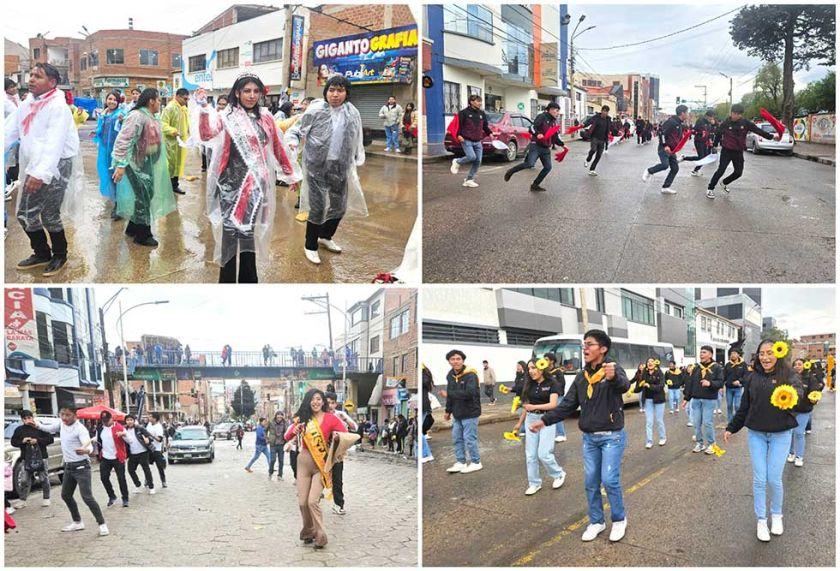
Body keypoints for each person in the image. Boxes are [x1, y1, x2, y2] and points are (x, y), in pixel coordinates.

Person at [529, 329, 630, 542]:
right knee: (591, 482)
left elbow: (624, 385)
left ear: (602, 349)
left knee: (609, 480)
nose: (585, 348)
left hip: (612, 436)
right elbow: (567, 405)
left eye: (590, 344)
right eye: (584, 344)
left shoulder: (612, 369)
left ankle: (619, 520)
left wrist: (612, 378)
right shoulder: (581, 377)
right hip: (590, 438)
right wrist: (544, 421)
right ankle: (597, 521)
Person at [197, 76, 300, 283]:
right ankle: (226, 282)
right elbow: (207, 134)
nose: (251, 95)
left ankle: (248, 280)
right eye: (246, 91)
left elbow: (278, 147)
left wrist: (290, 174)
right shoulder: (226, 116)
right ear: (237, 93)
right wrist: (203, 110)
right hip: (228, 183)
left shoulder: (266, 117)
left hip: (255, 185)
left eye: (255, 91)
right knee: (229, 233)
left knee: (247, 233)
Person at [5, 62, 83, 277]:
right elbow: (11, 129)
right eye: (31, 75)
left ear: (52, 83)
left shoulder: (57, 106)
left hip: (55, 164)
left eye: (37, 76)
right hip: (34, 163)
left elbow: (54, 143)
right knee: (24, 214)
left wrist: (40, 173)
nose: (31, 79)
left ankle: (60, 255)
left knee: (49, 214)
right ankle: (41, 253)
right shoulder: (29, 102)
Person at [724, 340, 802, 541]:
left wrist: (794, 395)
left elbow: (799, 396)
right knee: (759, 479)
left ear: (778, 353)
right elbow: (744, 407)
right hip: (756, 434)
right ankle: (761, 519)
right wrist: (731, 428)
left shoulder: (789, 375)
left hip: (781, 434)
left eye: (769, 353)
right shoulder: (752, 377)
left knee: (774, 478)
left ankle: (776, 515)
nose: (765, 357)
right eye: (761, 353)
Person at [286, 75, 364, 266]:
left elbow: (357, 137)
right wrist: (292, 142)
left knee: (339, 207)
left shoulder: (351, 112)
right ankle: (310, 245)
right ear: (326, 92)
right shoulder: (316, 110)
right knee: (318, 208)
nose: (335, 95)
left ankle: (325, 236)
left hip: (340, 166)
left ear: (347, 93)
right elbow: (296, 130)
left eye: (340, 90)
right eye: (331, 90)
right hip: (316, 167)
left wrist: (358, 155)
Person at [111, 87, 177, 248]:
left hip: (146, 163)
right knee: (144, 196)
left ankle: (133, 228)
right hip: (135, 164)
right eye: (159, 99)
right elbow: (124, 140)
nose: (160, 103)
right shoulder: (137, 116)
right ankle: (143, 234)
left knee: (146, 194)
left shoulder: (150, 116)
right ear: (151, 101)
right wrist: (120, 165)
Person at [284, 389, 347, 548]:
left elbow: (346, 435)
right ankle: (308, 531)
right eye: (312, 399)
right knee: (302, 502)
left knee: (312, 501)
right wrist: (295, 429)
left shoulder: (331, 419)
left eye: (319, 399)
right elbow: (286, 436)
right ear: (308, 402)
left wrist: (337, 438)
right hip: (303, 461)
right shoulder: (303, 419)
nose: (316, 402)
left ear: (323, 401)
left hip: (321, 464)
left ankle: (321, 536)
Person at [511, 360, 566, 496]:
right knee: (530, 455)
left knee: (544, 454)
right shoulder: (528, 385)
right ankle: (534, 483)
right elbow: (526, 407)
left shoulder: (552, 383)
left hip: (547, 419)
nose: (531, 371)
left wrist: (535, 407)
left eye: (533, 367)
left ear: (542, 367)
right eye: (529, 368)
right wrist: (519, 423)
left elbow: (553, 404)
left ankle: (558, 474)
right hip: (530, 419)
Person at [56, 405, 108, 536]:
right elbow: (47, 427)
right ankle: (77, 522)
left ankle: (102, 524)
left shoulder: (80, 429)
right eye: (62, 414)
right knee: (66, 495)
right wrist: (37, 425)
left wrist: (85, 450)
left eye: (67, 415)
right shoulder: (62, 424)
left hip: (81, 467)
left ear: (75, 415)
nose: (64, 418)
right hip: (68, 467)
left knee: (87, 497)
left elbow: (89, 447)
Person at [706, 103, 777, 199]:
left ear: (741, 114)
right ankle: (710, 189)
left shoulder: (745, 123)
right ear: (731, 113)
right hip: (726, 151)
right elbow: (718, 134)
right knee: (721, 170)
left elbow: (758, 131)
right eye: (734, 113)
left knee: (738, 172)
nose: (736, 116)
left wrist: (772, 137)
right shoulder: (726, 123)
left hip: (738, 152)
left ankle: (724, 182)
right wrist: (714, 145)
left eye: (738, 114)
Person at [503, 102, 565, 191]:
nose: (558, 113)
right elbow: (532, 127)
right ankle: (511, 171)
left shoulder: (553, 122)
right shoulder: (542, 117)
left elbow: (554, 136)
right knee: (530, 164)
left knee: (548, 167)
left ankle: (535, 185)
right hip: (536, 145)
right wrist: (537, 134)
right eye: (557, 110)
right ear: (551, 109)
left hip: (545, 148)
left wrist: (563, 145)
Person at [443, 349, 482, 473]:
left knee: (469, 439)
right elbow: (450, 396)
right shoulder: (450, 375)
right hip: (457, 413)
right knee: (457, 438)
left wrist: (449, 394)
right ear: (449, 361)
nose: (456, 361)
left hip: (470, 412)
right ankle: (461, 462)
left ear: (463, 360)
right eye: (453, 359)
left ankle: (476, 462)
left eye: (458, 359)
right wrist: (448, 411)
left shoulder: (471, 375)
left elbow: (471, 393)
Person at [683, 345, 724, 454]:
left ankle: (711, 444)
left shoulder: (716, 368)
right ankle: (699, 444)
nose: (701, 354)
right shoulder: (697, 367)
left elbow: (720, 382)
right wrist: (686, 398)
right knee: (696, 423)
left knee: (707, 423)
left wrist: (710, 383)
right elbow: (690, 383)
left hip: (709, 400)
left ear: (710, 354)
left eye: (704, 352)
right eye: (701, 352)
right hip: (696, 400)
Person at [92, 90, 126, 221]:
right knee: (107, 174)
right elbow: (101, 129)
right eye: (109, 99)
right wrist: (96, 132)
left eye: (114, 100)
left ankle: (119, 205)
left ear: (118, 102)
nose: (111, 102)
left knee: (117, 177)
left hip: (116, 151)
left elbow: (125, 130)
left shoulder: (121, 114)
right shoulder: (104, 114)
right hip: (104, 150)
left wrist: (123, 121)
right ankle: (115, 199)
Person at [10, 410, 54, 507]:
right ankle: (23, 500)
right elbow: (13, 442)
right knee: (24, 479)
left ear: (32, 417)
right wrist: (22, 441)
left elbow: (50, 439)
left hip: (41, 456)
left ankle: (46, 498)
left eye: (29, 417)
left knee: (44, 478)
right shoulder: (19, 430)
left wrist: (37, 440)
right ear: (22, 420)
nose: (27, 420)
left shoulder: (39, 427)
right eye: (25, 418)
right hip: (26, 458)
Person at [642, 104, 688, 194]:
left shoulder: (679, 123)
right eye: (687, 112)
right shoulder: (671, 122)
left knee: (675, 168)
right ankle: (649, 171)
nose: (688, 114)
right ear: (682, 113)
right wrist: (665, 145)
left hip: (672, 150)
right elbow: (661, 133)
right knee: (665, 165)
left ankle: (665, 187)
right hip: (664, 148)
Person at [449, 94, 493, 188]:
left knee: (478, 161)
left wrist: (489, 133)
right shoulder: (463, 113)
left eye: (480, 101)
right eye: (478, 101)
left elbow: (485, 126)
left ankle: (469, 180)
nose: (480, 103)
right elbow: (458, 125)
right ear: (471, 102)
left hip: (478, 140)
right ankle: (457, 162)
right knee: (471, 157)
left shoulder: (482, 113)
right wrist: (458, 135)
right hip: (466, 139)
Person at [788, 358, 824, 467]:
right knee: (790, 433)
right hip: (790, 410)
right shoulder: (788, 377)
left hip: (804, 410)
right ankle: (791, 453)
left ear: (804, 366)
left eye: (800, 364)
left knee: (799, 433)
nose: (797, 366)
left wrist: (814, 398)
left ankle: (799, 456)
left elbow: (815, 391)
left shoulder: (810, 378)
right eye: (795, 364)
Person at [325, 392, 358, 515]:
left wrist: (345, 419)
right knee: (318, 477)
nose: (330, 405)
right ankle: (314, 501)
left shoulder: (340, 415)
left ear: (336, 404)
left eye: (332, 403)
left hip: (337, 453)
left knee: (337, 479)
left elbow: (355, 427)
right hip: (321, 451)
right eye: (328, 402)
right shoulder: (319, 415)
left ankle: (338, 504)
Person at [94, 411, 130, 508]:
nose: (105, 422)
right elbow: (98, 440)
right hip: (105, 457)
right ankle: (112, 496)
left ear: (112, 418)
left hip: (118, 457)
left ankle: (125, 498)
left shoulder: (119, 427)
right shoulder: (100, 428)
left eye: (107, 420)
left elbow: (130, 440)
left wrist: (123, 434)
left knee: (121, 478)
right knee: (104, 477)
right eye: (103, 420)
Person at [161, 87, 190, 195]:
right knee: (170, 165)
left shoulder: (183, 108)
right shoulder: (170, 108)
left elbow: (187, 123)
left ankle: (175, 185)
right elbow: (162, 124)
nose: (186, 101)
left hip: (181, 142)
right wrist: (172, 131)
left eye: (187, 99)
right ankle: (167, 187)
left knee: (178, 164)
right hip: (170, 142)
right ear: (177, 96)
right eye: (185, 99)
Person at [634, 358, 666, 448]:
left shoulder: (659, 373)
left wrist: (650, 386)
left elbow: (661, 386)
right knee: (649, 421)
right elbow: (639, 385)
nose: (649, 363)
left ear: (655, 363)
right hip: (648, 400)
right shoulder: (644, 373)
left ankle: (662, 438)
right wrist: (633, 390)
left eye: (651, 361)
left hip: (659, 400)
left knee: (659, 420)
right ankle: (649, 441)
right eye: (648, 362)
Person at [123, 415, 156, 494]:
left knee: (146, 470)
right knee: (130, 470)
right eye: (127, 420)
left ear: (134, 420)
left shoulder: (140, 428)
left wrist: (148, 440)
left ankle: (151, 487)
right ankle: (138, 485)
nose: (129, 421)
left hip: (143, 453)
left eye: (131, 420)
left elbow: (150, 437)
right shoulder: (124, 430)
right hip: (132, 454)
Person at [687, 109, 717, 176]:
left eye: (713, 117)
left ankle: (686, 159)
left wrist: (710, 141)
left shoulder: (709, 123)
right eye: (711, 117)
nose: (712, 118)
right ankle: (695, 170)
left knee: (705, 157)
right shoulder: (700, 121)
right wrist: (700, 133)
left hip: (704, 142)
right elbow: (693, 130)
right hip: (698, 141)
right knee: (702, 158)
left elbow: (708, 133)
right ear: (707, 116)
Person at [583, 105, 611, 176]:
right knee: (593, 150)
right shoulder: (596, 117)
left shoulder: (608, 119)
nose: (605, 113)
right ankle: (588, 159)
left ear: (608, 112)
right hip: (595, 138)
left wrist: (617, 133)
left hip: (602, 140)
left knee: (598, 156)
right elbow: (589, 121)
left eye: (606, 111)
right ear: (601, 111)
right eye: (604, 111)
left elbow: (611, 127)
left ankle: (592, 169)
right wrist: (583, 124)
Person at [724, 348, 748, 422]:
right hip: (729, 388)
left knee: (737, 406)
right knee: (729, 405)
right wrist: (722, 385)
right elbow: (724, 376)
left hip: (738, 388)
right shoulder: (728, 365)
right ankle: (730, 421)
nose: (733, 355)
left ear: (738, 355)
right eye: (731, 354)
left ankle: (736, 419)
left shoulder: (743, 364)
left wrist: (739, 381)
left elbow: (746, 375)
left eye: (734, 353)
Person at [146, 413, 167, 488]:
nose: (149, 418)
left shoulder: (159, 427)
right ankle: (147, 480)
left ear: (155, 418)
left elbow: (159, 439)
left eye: (151, 417)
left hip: (156, 450)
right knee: (146, 466)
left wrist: (151, 435)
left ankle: (163, 481)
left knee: (160, 467)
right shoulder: (148, 424)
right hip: (148, 448)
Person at [266, 411, 288, 481]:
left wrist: (287, 441)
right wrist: (267, 438)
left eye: (281, 416)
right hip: (273, 444)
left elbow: (287, 432)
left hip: (281, 444)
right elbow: (265, 430)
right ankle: (270, 473)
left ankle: (280, 475)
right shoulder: (271, 422)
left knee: (281, 461)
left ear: (282, 416)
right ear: (275, 416)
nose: (279, 417)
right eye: (278, 416)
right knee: (273, 460)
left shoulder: (284, 423)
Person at [421, 364, 435, 463]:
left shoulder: (425, 376)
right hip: (422, 406)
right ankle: (425, 454)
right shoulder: (424, 376)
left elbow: (425, 382)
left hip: (423, 406)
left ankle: (426, 454)